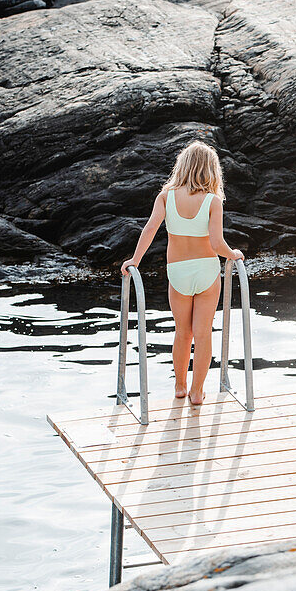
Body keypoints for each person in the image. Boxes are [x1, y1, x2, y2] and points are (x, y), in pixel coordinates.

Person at [120, 142, 244, 406]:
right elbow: (216, 243)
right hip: (207, 270)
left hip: (177, 272)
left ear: (183, 166)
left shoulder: (166, 196)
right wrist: (233, 254)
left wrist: (135, 260)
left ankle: (180, 386)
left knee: (182, 333)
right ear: (212, 170)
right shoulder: (213, 201)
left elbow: (150, 229)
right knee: (203, 333)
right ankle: (197, 392)